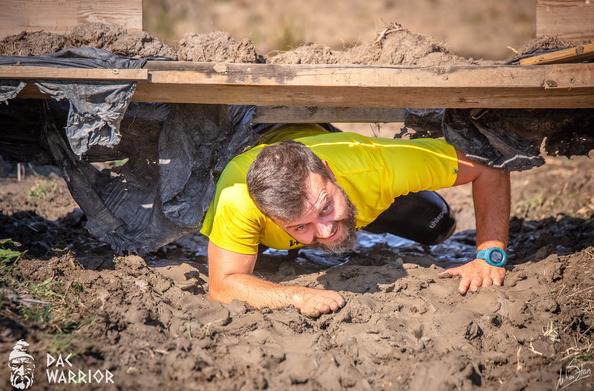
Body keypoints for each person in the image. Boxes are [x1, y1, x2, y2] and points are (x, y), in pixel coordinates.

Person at [201, 123, 510, 317]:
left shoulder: (377, 166)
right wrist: (296, 295)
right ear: (266, 216)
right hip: (251, 145)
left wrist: (489, 257)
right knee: (250, 260)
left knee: (439, 225)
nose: (325, 230)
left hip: (354, 177)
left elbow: (488, 166)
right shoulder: (238, 200)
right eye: (300, 226)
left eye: (325, 208)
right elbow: (222, 286)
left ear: (329, 173)